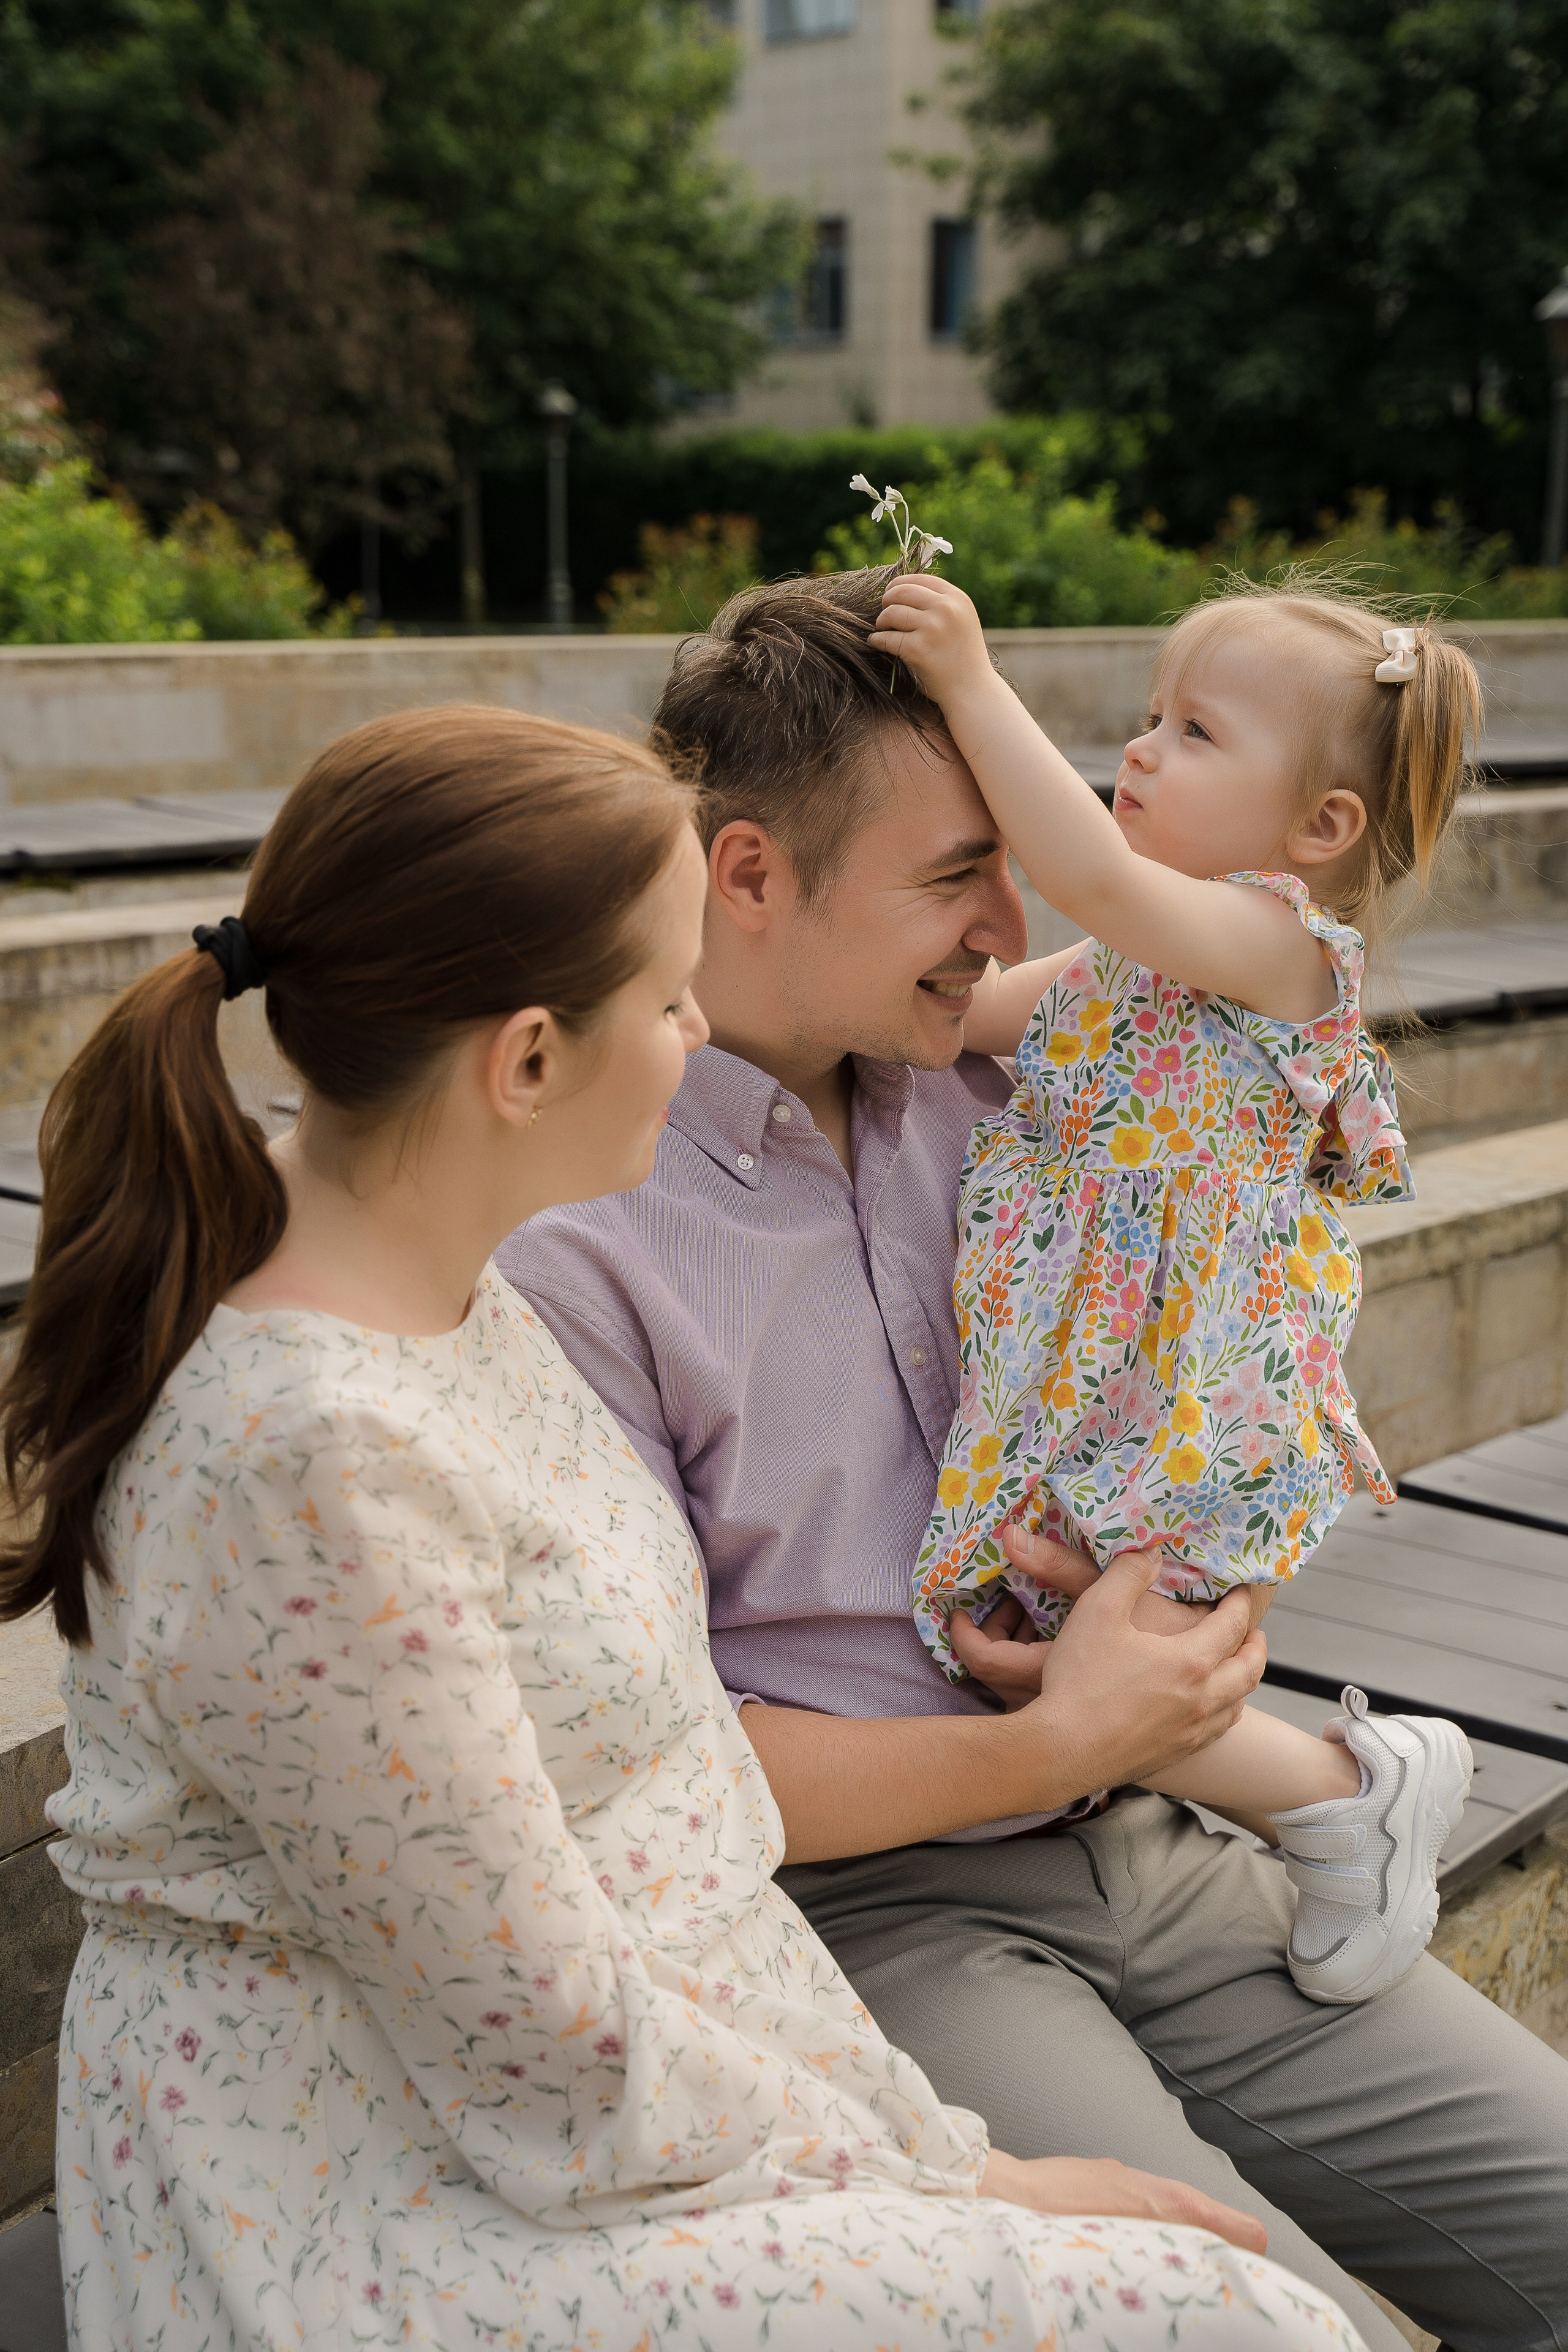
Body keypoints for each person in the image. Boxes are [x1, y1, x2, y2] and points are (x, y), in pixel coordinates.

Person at [0, 706, 1355, 2351]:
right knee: (1240, 2324)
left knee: (1235, 2304)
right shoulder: (312, 1460)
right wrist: (968, 2191)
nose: (704, 1022)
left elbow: (675, 1828)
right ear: (527, 1061)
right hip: (389, 2186)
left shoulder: (445, 1298)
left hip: (657, 2085)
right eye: (664, 995)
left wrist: (938, 2157)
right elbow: (543, 2042)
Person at [502, 575, 1568, 2351]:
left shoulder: (1053, 1084)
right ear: (749, 875)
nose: (1014, 922)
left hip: (1162, 1828)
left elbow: (1228, 1375)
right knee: (1278, 2334)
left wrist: (1157, 1629)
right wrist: (1061, 1728)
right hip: (874, 1910)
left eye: (1020, 857)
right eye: (953, 874)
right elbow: (644, 1763)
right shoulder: (576, 1239)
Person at [881, 574, 1474, 2008]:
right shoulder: (1124, 965)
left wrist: (969, 679)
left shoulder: (1282, 952)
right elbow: (950, 1019)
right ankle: (1331, 1794)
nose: (1138, 750)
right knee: (1038, 1642)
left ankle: (1338, 1788)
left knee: (1087, 1650)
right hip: (1084, 1372)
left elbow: (1088, 874)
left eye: (1192, 731)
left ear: (1318, 830)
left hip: (1187, 1387)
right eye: (1147, 718)